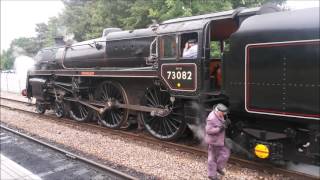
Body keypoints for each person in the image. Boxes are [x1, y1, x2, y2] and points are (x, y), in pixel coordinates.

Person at [205, 103, 230, 180]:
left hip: (220, 140)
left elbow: (221, 122)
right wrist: (221, 128)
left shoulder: (219, 114)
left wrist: (226, 122)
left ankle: (218, 167)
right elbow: (208, 130)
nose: (224, 114)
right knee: (212, 158)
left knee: (225, 154)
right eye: (223, 112)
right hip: (214, 141)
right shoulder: (211, 118)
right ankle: (212, 175)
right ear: (218, 111)